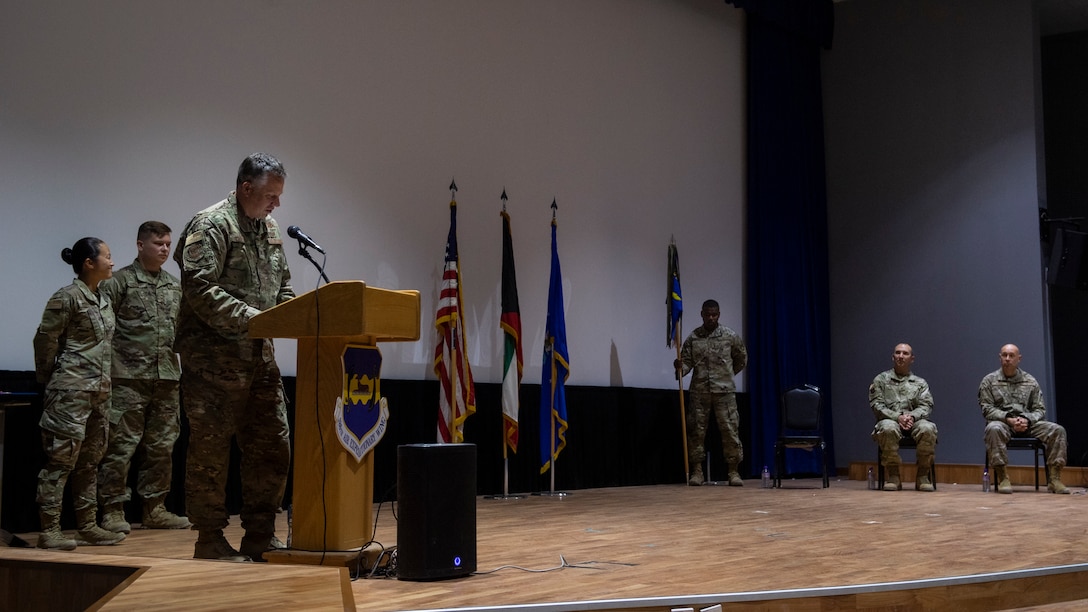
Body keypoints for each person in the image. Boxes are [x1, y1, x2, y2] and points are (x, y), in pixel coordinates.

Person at [174, 153, 295, 561]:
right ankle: (209, 537)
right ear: (246, 188)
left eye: (278, 197)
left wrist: (292, 312)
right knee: (211, 452)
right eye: (269, 196)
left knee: (272, 446)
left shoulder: (270, 230)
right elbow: (200, 289)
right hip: (212, 362)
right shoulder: (209, 226)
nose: (275, 204)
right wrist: (255, 319)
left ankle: (260, 533)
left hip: (259, 359)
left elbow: (283, 286)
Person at [32, 237, 126, 549]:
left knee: (90, 461)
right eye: (107, 257)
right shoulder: (68, 297)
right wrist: (48, 378)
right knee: (61, 462)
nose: (112, 262)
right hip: (70, 391)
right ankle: (51, 531)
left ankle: (87, 525)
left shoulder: (102, 299)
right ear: (89, 263)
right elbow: (46, 339)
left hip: (99, 391)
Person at [97, 221, 190, 533]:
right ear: (140, 245)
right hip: (127, 378)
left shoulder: (174, 286)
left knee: (162, 446)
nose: (164, 249)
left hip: (166, 378)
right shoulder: (119, 282)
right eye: (158, 243)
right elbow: (102, 330)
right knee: (121, 447)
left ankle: (155, 508)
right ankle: (112, 510)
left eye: (167, 243)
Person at [674, 299, 748, 486]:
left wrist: (726, 376)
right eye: (707, 314)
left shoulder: (730, 336)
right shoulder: (694, 338)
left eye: (714, 314)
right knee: (696, 432)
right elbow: (687, 364)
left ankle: (733, 472)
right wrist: (680, 368)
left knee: (730, 430)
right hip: (700, 392)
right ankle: (697, 472)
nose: (711, 318)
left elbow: (741, 359)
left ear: (719, 314)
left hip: (724, 392)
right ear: (701, 314)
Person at [979, 343, 1069, 494]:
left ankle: (1054, 479)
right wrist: (1009, 419)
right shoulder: (989, 381)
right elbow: (987, 409)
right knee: (992, 428)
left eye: (1011, 356)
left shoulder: (1030, 381)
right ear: (1000, 357)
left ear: (1019, 359)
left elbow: (1040, 409)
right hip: (1003, 424)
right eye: (1004, 355)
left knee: (1057, 430)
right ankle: (1003, 478)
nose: (1007, 359)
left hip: (1027, 424)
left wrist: (1026, 419)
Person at [869, 343, 938, 492]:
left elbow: (926, 406)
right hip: (890, 420)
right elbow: (877, 405)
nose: (901, 356)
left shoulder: (920, 383)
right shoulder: (881, 380)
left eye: (905, 353)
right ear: (893, 357)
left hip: (914, 422)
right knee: (887, 428)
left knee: (927, 428)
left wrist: (911, 416)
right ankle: (893, 476)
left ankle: (922, 476)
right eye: (898, 353)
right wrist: (898, 417)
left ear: (912, 358)